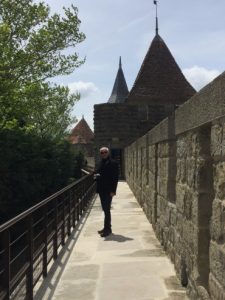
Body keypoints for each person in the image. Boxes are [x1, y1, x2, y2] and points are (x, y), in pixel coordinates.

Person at [94, 147, 119, 237]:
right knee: (105, 209)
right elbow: (98, 173)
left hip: (109, 190)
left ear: (108, 153)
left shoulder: (113, 163)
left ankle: (107, 230)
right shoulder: (100, 163)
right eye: (101, 152)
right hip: (101, 189)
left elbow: (115, 178)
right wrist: (96, 176)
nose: (103, 153)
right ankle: (106, 227)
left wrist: (113, 191)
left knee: (107, 209)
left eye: (105, 152)